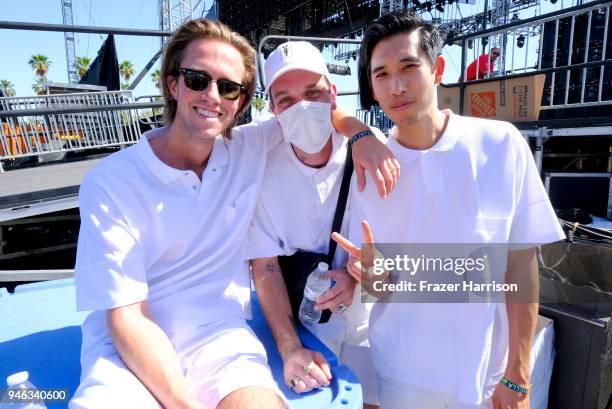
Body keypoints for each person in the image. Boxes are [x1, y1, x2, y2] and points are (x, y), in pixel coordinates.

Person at [70, 19, 398, 409]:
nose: (212, 96)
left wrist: (361, 135)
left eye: (227, 87)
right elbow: (127, 318)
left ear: (240, 102)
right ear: (173, 84)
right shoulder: (111, 182)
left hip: (221, 335)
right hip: (126, 351)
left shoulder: (247, 146)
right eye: (196, 79)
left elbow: (319, 108)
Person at [332, 12, 564, 409]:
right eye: (381, 74)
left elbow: (522, 267)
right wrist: (368, 274)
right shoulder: (366, 172)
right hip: (399, 376)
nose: (397, 86)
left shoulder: (500, 146)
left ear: (437, 68)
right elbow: (380, 286)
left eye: (408, 67)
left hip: (485, 380)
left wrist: (519, 376)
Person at [248, 41, 388, 409]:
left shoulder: (374, 153)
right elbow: (264, 265)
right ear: (272, 108)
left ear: (333, 94)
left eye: (313, 93)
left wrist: (358, 277)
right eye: (286, 99)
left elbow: (399, 246)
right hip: (303, 322)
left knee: (372, 400)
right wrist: (290, 346)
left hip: (369, 321)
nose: (303, 107)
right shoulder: (260, 165)